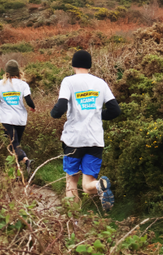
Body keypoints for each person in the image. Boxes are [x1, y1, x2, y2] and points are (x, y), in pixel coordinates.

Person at [50, 50, 121, 211]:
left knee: (71, 180)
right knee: (88, 184)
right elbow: (115, 110)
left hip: (74, 139)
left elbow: (60, 106)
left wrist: (54, 114)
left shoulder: (69, 81)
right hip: (95, 140)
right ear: (89, 65)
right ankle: (99, 185)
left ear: (73, 64)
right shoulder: (100, 83)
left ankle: (74, 223)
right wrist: (97, 114)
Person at [0, 60, 36, 173]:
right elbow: (29, 100)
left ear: (6, 72)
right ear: (18, 71)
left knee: (13, 145)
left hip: (6, 119)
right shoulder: (23, 84)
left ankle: (25, 160)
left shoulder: (0, 84)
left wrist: (2, 97)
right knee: (15, 145)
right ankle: (16, 173)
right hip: (20, 120)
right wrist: (33, 107)